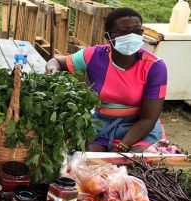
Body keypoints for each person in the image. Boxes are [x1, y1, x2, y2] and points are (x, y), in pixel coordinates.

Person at [46, 8, 167, 153]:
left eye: (137, 31)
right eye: (123, 32)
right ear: (108, 36)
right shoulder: (94, 56)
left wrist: (121, 146)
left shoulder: (155, 66)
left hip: (139, 126)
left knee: (135, 160)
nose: (131, 36)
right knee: (93, 159)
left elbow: (148, 118)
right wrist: (52, 73)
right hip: (102, 123)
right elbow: (57, 62)